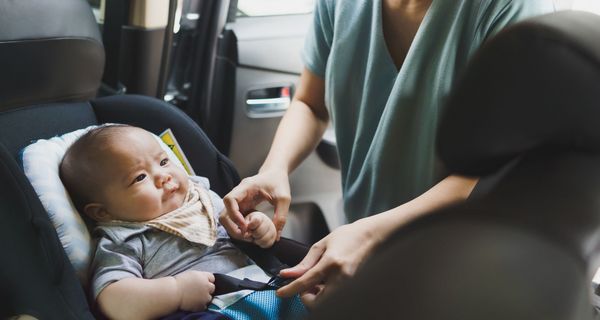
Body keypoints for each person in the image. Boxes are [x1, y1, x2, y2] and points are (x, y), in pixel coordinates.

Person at [220, 0, 556, 307]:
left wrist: (367, 235)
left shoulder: (507, 8)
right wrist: (274, 168)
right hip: (370, 244)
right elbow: (311, 103)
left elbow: (488, 169)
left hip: (465, 261)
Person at [59, 124, 279, 319]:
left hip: (263, 288)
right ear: (102, 213)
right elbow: (112, 301)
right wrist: (176, 291)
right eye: (140, 177)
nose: (164, 175)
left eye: (163, 161)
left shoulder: (201, 197)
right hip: (208, 310)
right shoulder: (124, 239)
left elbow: (241, 230)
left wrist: (257, 226)